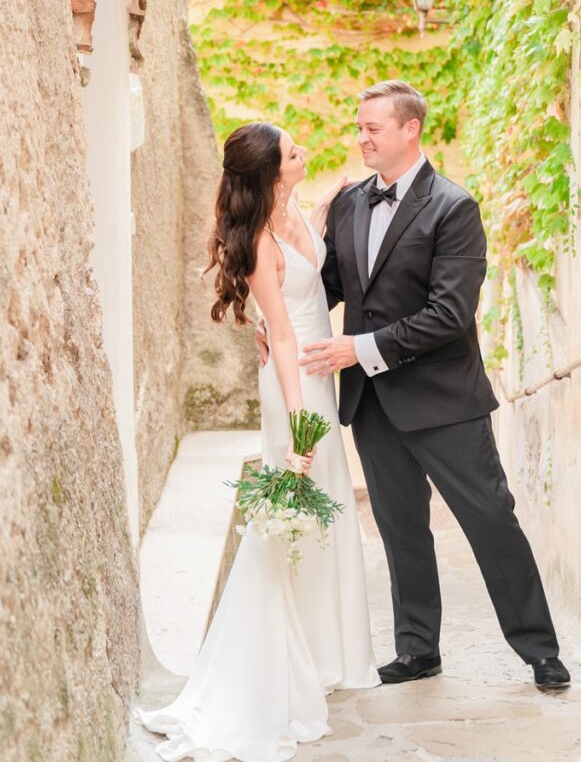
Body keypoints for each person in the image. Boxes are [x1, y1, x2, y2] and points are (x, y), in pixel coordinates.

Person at [259, 79, 571, 692]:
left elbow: (450, 315)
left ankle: (539, 650)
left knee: (490, 520)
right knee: (401, 530)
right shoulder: (349, 205)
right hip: (373, 406)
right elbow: (326, 289)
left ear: (411, 130)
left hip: (445, 402)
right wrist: (274, 327)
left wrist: (359, 349)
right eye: (360, 126)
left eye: (374, 127)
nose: (362, 137)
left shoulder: (454, 208)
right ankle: (417, 649)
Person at [132, 121, 379, 762]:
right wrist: (301, 430)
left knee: (318, 518)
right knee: (291, 518)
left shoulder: (293, 210)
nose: (306, 152)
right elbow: (285, 331)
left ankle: (320, 654)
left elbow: (313, 253)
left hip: (313, 376)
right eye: (294, 152)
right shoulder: (261, 243)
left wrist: (325, 205)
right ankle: (274, 669)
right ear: (272, 174)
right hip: (294, 386)